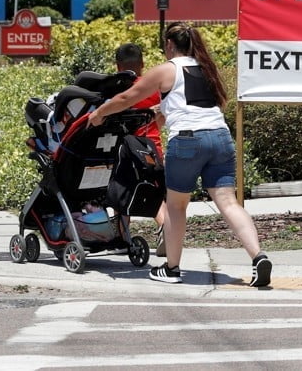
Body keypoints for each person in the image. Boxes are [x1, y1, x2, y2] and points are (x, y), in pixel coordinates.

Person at [89, 22, 271, 288]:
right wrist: (159, 113)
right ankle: (258, 256)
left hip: (187, 141)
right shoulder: (205, 69)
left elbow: (128, 96)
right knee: (229, 203)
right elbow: (184, 107)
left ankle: (172, 268)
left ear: (170, 45)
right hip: (220, 136)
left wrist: (99, 113)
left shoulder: (167, 69)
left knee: (176, 206)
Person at [114, 42, 167, 255]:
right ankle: (165, 227)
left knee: (120, 193)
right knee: (154, 194)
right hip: (153, 148)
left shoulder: (119, 88)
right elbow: (161, 120)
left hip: (127, 150)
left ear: (118, 66)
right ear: (143, 64)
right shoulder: (152, 87)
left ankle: (122, 237)